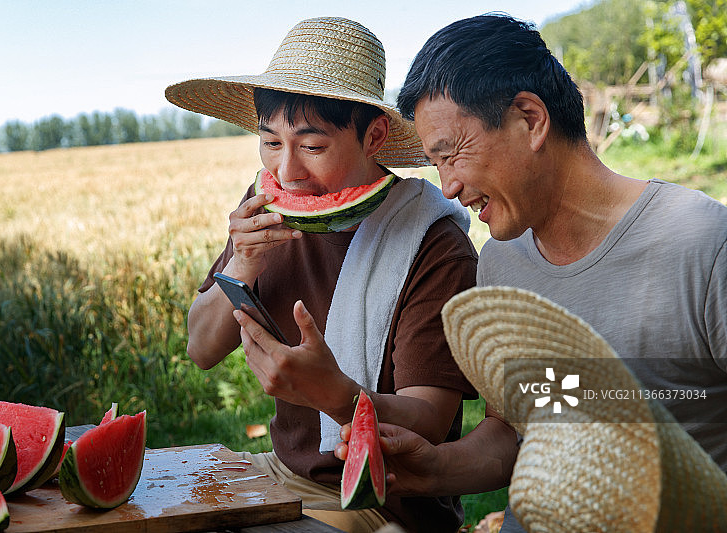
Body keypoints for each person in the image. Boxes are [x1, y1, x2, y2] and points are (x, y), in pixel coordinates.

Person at [335, 13, 727, 532]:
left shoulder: (702, 243)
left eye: (450, 153)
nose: (447, 187)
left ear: (530, 119)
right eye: (436, 165)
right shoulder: (501, 265)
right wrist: (434, 469)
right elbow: (511, 434)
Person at [165, 16, 510, 533]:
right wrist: (243, 260)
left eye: (312, 145)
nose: (287, 172)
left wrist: (332, 393)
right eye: (270, 143)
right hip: (282, 474)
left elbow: (430, 419)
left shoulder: (434, 244)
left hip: (382, 501)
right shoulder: (263, 212)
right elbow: (201, 348)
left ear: (374, 136)